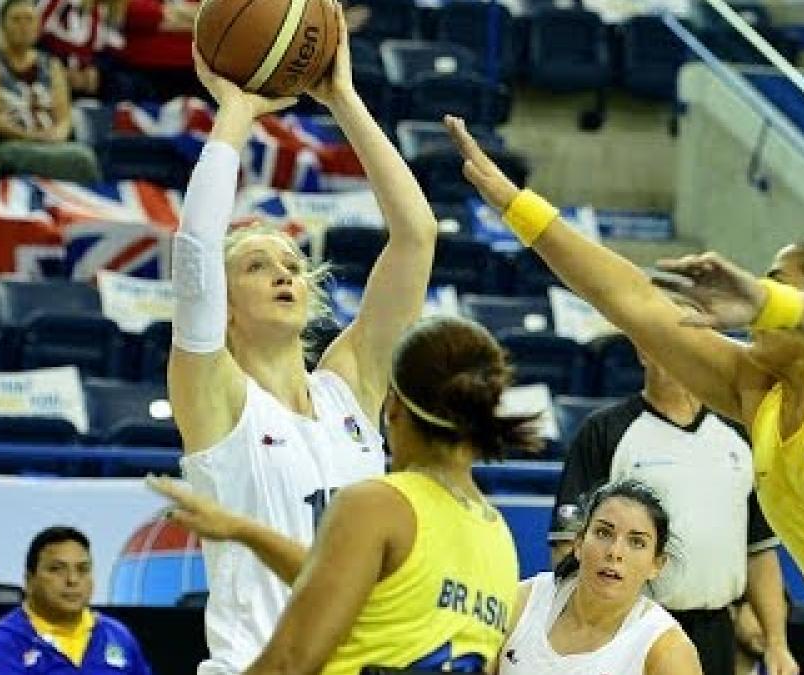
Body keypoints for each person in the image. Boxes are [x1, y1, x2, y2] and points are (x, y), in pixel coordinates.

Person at [444, 115, 804, 674]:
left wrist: (766, 301)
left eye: (780, 281)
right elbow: (629, 299)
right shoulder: (758, 394)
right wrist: (514, 203)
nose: (759, 293)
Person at [169, 6, 440, 674]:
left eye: (290, 264)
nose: (282, 274)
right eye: (257, 266)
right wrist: (235, 109)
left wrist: (342, 98)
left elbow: (416, 235)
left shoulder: (348, 386)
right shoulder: (215, 396)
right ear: (225, 306)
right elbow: (197, 252)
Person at [154, 314, 544, 674]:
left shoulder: (377, 505)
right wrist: (247, 532)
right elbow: (366, 598)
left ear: (393, 407)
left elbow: (288, 662)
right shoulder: (498, 537)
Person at [550, 349, 797, 675]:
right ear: (641, 350)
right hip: (630, 626)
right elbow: (570, 545)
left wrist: (777, 643)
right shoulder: (606, 430)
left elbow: (760, 551)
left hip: (716, 629)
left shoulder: (738, 436)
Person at [500, 479, 703, 675]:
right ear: (578, 544)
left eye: (636, 542)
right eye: (603, 533)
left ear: (656, 565)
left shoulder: (667, 650)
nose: (615, 552)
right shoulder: (521, 603)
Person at [0, 526, 154, 675]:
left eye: (83, 569)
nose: (72, 580)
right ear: (29, 580)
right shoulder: (4, 644)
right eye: (57, 569)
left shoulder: (117, 636)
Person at [0, 0, 101, 182]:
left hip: (48, 141)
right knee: (79, 158)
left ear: (38, 27)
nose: (23, 26)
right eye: (16, 20)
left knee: (82, 155)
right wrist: (29, 137)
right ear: (2, 26)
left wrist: (55, 135)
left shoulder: (52, 65)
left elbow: (64, 117)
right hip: (8, 142)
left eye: (29, 20)